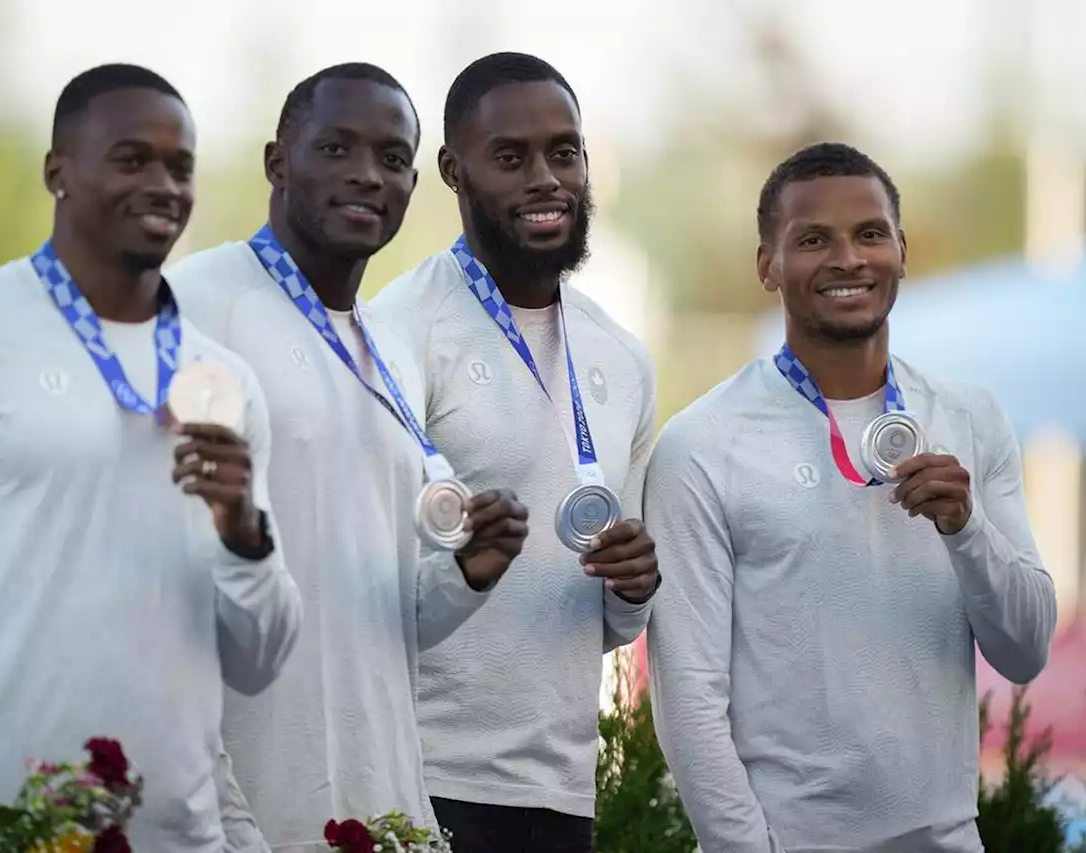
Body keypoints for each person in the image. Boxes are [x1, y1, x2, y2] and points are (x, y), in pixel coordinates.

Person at [0, 63, 302, 853]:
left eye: (180, 167)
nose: (162, 184)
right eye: (131, 159)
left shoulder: (226, 383)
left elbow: (259, 663)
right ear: (58, 171)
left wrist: (242, 530)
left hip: (179, 833)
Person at [645, 141, 1058, 852]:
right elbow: (689, 701)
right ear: (767, 265)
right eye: (812, 240)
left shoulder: (970, 416)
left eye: (869, 234)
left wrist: (967, 528)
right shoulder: (702, 444)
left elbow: (1024, 649)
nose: (847, 259)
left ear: (901, 249)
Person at [166, 62, 530, 852]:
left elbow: (378, 611)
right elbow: (159, 586)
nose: (368, 174)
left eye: (393, 159)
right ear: (277, 163)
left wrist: (469, 572)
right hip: (245, 799)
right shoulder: (198, 305)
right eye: (336, 148)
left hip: (380, 799)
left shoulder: (390, 340)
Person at [370, 52, 660, 853]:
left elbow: (606, 621)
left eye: (564, 152)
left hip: (563, 786)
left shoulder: (622, 357)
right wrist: (466, 563)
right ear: (453, 173)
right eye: (511, 158)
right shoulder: (398, 331)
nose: (546, 178)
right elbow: (363, 587)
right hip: (421, 778)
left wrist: (635, 587)